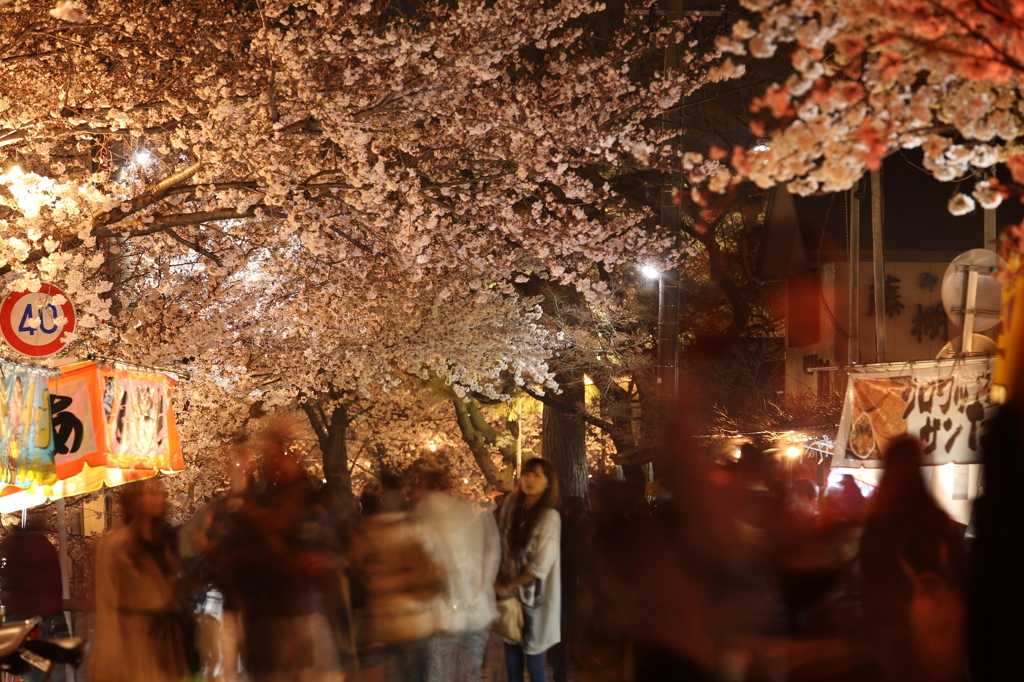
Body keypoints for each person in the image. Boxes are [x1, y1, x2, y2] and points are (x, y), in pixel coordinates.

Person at [860, 438, 967, 682]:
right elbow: (962, 574)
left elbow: (871, 582)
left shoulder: (880, 524)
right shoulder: (939, 520)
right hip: (942, 633)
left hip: (897, 641)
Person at [89, 479, 187, 682]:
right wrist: (108, 657)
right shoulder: (116, 545)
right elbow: (107, 601)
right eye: (147, 493)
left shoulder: (163, 541)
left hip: (163, 638)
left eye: (158, 492)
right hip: (133, 638)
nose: (156, 498)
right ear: (132, 500)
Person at [413, 468, 500, 682]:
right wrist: (482, 582)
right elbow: (491, 553)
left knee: (439, 665)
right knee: (470, 667)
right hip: (475, 602)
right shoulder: (471, 516)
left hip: (443, 604)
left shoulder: (424, 516)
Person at [496, 458, 561, 682]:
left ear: (548, 483)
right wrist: (499, 580)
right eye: (527, 474)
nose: (530, 480)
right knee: (512, 662)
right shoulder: (511, 507)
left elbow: (541, 565)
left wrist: (509, 586)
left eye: (538, 476)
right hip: (510, 599)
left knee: (535, 664)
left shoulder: (549, 517)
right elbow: (501, 549)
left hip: (536, 600)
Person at [0, 511, 69, 682]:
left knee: (35, 672)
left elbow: (10, 585)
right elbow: (52, 584)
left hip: (23, 620)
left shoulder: (15, 546)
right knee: (52, 672)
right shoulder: (42, 546)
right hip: (45, 617)